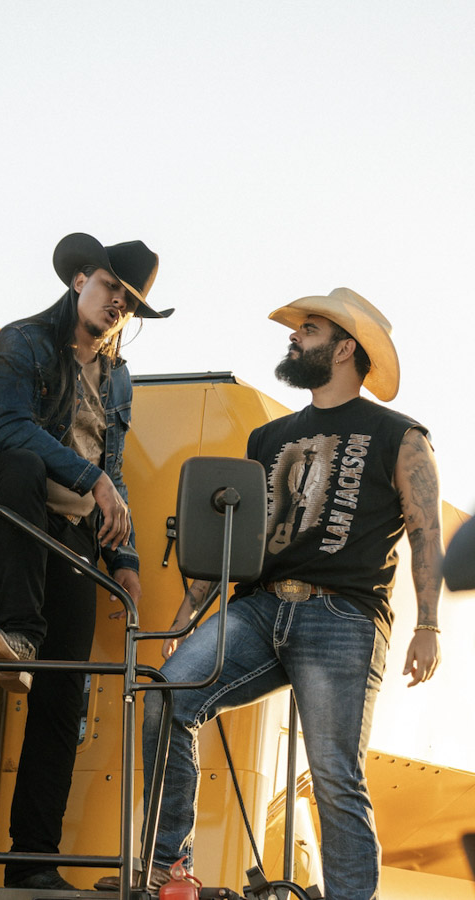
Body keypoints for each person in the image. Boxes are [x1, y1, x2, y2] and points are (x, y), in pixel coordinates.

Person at [136, 288, 442, 900]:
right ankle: (169, 868)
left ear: (345, 349)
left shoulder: (401, 435)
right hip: (259, 607)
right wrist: (186, 618)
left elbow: (425, 531)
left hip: (342, 615)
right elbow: (234, 535)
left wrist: (428, 626)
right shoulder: (268, 437)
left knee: (334, 774)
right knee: (168, 697)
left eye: (309, 329)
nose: (294, 336)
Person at [0, 232, 173, 890]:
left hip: (66, 535)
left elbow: (112, 467)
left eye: (129, 301)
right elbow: (7, 427)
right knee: (20, 463)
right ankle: (19, 632)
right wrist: (91, 480)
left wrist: (123, 555)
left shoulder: (118, 378)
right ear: (80, 280)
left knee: (64, 696)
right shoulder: (23, 341)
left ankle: (33, 863)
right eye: (109, 288)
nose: (117, 304)